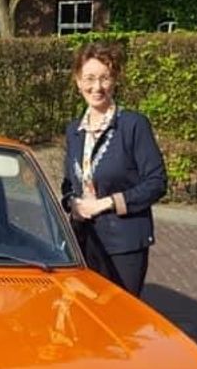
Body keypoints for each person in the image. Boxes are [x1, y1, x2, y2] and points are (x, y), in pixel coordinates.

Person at [61, 42, 167, 297]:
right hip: (84, 242)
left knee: (120, 313)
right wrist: (72, 203)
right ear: (78, 81)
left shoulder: (133, 125)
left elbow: (156, 182)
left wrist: (107, 203)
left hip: (124, 245)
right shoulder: (74, 130)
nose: (97, 87)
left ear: (115, 80)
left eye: (104, 78)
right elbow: (69, 184)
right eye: (89, 78)